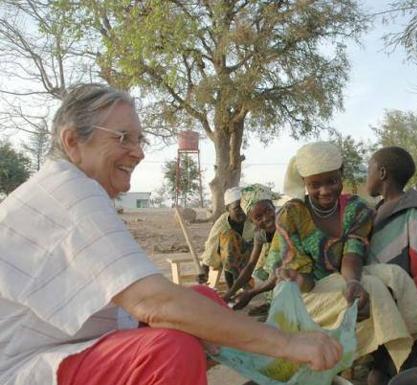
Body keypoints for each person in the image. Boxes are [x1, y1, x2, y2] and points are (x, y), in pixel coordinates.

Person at [0, 84, 343, 385]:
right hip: (31, 363)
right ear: (73, 141)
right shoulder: (68, 191)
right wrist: (285, 343)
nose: (139, 152)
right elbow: (153, 303)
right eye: (122, 138)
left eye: (139, 139)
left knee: (204, 304)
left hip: (75, 341)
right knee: (168, 352)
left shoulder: (75, 189)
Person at [265, 141, 417, 385]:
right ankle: (401, 355)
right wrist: (296, 278)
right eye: (315, 184)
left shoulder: (356, 209)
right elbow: (306, 282)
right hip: (302, 294)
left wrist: (352, 282)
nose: (325, 190)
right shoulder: (292, 215)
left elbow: (352, 254)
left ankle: (414, 339)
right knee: (374, 287)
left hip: (340, 280)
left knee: (394, 275)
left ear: (341, 174)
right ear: (304, 183)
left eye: (332, 181)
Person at [366, 146, 417, 322]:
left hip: (407, 315)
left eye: (369, 171)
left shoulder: (416, 216)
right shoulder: (373, 213)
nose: (367, 177)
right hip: (377, 310)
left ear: (382, 173)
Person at [223, 184, 278, 313]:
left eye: (268, 211)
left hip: (302, 274)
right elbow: (251, 265)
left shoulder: (286, 225)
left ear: (273, 207)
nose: (267, 219)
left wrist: (251, 293)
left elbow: (282, 271)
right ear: (252, 221)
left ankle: (276, 307)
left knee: (273, 262)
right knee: (259, 272)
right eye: (258, 217)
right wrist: (229, 294)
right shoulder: (260, 234)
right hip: (280, 272)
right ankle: (273, 305)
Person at [200, 186, 255, 288]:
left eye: (244, 206)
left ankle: (247, 282)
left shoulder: (252, 217)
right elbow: (211, 244)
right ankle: (232, 288)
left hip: (251, 256)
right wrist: (205, 269)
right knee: (229, 238)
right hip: (230, 259)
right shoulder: (222, 223)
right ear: (227, 209)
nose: (242, 212)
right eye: (237, 208)